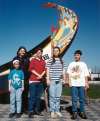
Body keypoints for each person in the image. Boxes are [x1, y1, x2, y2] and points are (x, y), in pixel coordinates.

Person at [0, 46, 29, 113]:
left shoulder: (27, 59)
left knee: (25, 95)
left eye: (24, 50)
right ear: (18, 51)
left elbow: (29, 69)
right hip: (16, 80)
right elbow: (11, 69)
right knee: (16, 96)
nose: (23, 51)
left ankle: (24, 109)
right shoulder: (15, 59)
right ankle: (15, 109)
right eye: (21, 50)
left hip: (25, 79)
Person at [67, 50, 89, 120]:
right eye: (75, 55)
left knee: (82, 99)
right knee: (74, 99)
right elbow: (69, 74)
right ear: (74, 56)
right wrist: (69, 82)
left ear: (80, 56)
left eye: (78, 55)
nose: (76, 56)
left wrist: (86, 83)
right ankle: (74, 113)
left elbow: (86, 74)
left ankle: (82, 112)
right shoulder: (71, 64)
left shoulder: (83, 64)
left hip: (82, 84)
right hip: (73, 84)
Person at [46, 47, 67, 118]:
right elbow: (47, 70)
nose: (55, 52)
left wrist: (64, 79)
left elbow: (64, 71)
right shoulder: (50, 60)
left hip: (59, 82)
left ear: (59, 52)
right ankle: (52, 111)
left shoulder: (62, 61)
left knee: (58, 97)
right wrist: (47, 79)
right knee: (52, 97)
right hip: (52, 81)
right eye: (54, 51)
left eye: (57, 51)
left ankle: (57, 110)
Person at [28, 48, 46, 118]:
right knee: (32, 97)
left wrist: (41, 75)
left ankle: (37, 110)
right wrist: (38, 75)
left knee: (38, 97)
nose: (39, 53)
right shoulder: (33, 60)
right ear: (36, 53)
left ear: (42, 53)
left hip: (40, 82)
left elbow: (45, 69)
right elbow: (31, 69)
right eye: (38, 52)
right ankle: (30, 111)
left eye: (40, 52)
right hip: (33, 81)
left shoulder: (43, 61)